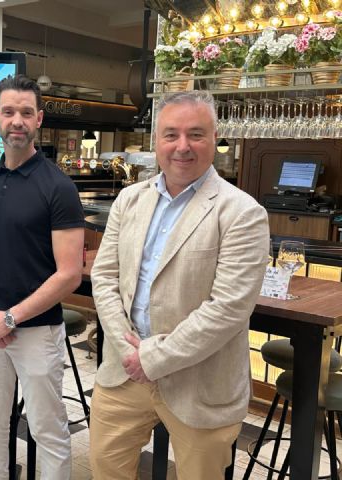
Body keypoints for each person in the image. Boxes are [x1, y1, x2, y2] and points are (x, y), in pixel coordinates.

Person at [89, 90, 269, 480]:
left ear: (215, 139)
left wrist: (152, 358)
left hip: (200, 383)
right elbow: (104, 278)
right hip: (124, 372)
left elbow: (228, 309)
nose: (182, 146)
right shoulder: (129, 200)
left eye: (196, 134)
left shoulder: (242, 212)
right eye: (171, 134)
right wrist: (129, 350)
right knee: (105, 469)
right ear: (156, 140)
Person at [0, 74, 85, 479]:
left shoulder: (58, 187)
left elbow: (69, 274)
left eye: (26, 113)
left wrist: (9, 318)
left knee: (48, 430)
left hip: (36, 332)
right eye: (9, 112)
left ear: (39, 119)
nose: (17, 121)